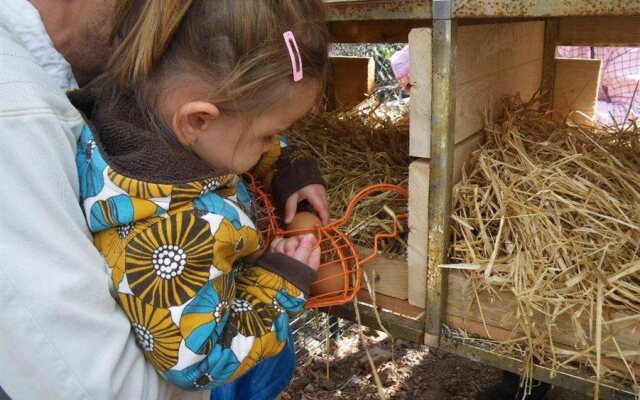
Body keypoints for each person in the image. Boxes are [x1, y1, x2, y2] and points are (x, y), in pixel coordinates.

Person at [70, 0, 330, 396]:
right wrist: (278, 286)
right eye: (267, 136)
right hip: (226, 372)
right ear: (197, 120)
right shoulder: (171, 233)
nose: (269, 144)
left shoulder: (138, 110)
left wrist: (286, 168)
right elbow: (198, 362)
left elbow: (227, 138)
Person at [0, 0, 207, 399]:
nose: (184, 22)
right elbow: (100, 387)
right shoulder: (17, 114)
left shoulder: (81, 75)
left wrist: (282, 164)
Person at [556, 46, 640, 126]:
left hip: (592, 135)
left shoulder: (624, 41)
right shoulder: (549, 38)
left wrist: (574, 112)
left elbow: (631, 114)